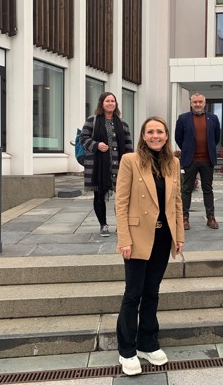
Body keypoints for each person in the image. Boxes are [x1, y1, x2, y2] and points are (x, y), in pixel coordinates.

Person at [115, 116, 185, 376]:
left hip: (163, 236)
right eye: (150, 132)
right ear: (143, 136)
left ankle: (147, 342)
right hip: (137, 237)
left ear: (166, 136)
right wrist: (124, 239)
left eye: (160, 132)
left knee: (152, 292)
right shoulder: (130, 160)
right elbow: (121, 202)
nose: (155, 136)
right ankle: (127, 349)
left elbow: (177, 201)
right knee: (133, 293)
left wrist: (179, 235)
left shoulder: (173, 162)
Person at [80, 92, 133, 237]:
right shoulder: (92, 120)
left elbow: (128, 146)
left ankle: (121, 225)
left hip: (119, 165)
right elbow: (83, 138)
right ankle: (103, 225)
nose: (110, 103)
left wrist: (131, 164)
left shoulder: (123, 123)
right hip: (98, 166)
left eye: (113, 101)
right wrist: (96, 145)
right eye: (107, 101)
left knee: (122, 197)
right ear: (101, 103)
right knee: (99, 195)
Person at [175, 92, 221, 230]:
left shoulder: (213, 118)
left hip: (207, 160)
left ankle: (210, 217)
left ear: (204, 103)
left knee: (208, 189)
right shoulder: (183, 118)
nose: (198, 104)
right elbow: (178, 138)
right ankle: (184, 218)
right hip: (190, 160)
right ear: (191, 104)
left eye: (200, 102)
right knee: (186, 190)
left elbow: (216, 138)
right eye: (195, 102)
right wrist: (187, 149)